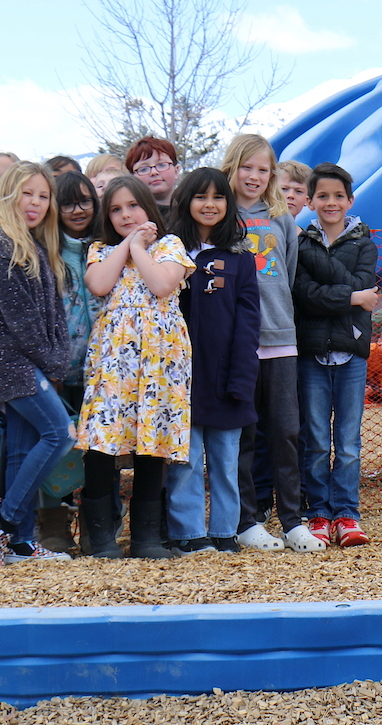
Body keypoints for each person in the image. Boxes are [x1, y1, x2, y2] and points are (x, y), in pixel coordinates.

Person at [77, 175, 194, 559]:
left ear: (148, 205)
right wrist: (127, 244)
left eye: (133, 206)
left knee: (152, 440)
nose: (125, 214)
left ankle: (145, 537)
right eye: (115, 209)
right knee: (101, 440)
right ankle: (100, 538)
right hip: (115, 361)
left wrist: (140, 247)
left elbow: (162, 285)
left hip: (161, 359)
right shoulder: (100, 249)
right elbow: (98, 283)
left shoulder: (170, 246)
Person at [0, 162, 77, 567]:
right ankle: (5, 519)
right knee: (59, 433)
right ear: (7, 195)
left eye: (43, 195)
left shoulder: (33, 245)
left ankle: (18, 542)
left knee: (22, 448)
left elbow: (51, 314)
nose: (35, 203)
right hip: (12, 363)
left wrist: (55, 357)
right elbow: (23, 320)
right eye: (26, 193)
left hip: (24, 362)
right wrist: (53, 363)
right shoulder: (2, 246)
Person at [220, 135, 321, 552]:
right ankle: (246, 520)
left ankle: (293, 520)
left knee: (285, 432)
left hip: (280, 338)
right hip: (236, 341)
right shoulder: (221, 215)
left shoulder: (281, 218)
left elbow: (289, 270)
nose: (255, 176)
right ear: (232, 167)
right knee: (244, 434)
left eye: (263, 169)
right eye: (248, 167)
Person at [164, 168, 261, 554]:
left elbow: (248, 320)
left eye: (218, 197)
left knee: (225, 460)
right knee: (185, 460)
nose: (209, 204)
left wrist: (241, 377)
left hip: (226, 375)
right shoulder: (170, 253)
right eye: (200, 197)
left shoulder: (239, 258)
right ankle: (189, 534)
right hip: (181, 376)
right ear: (186, 202)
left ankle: (224, 531)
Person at [294, 162, 379, 547]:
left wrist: (350, 296)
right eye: (323, 196)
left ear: (351, 200)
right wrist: (351, 298)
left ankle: (346, 513)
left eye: (338, 196)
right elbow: (304, 297)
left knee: (347, 441)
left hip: (351, 352)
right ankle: (318, 513)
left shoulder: (364, 244)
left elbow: (365, 288)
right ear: (310, 201)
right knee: (313, 438)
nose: (331, 203)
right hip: (310, 351)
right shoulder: (299, 242)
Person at [39, 170, 99, 553]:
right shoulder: (46, 252)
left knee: (96, 448)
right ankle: (52, 525)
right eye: (67, 203)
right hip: (58, 369)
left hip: (101, 370)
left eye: (85, 201)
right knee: (55, 445)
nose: (77, 210)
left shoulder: (105, 246)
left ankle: (97, 522)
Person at [124, 136, 180, 212]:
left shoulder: (192, 210)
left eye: (161, 165)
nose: (154, 172)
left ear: (176, 171)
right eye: (143, 169)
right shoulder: (129, 215)